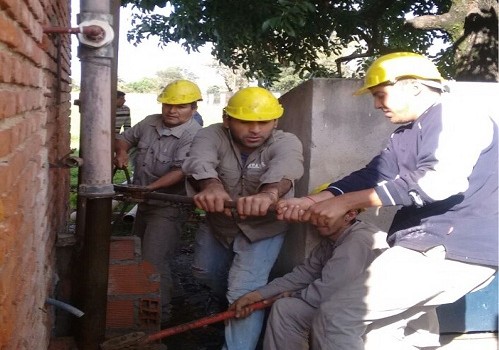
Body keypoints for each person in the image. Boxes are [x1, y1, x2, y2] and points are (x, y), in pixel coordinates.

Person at [276, 52, 498, 349]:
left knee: (336, 318)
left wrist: (344, 203)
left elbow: (439, 183)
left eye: (381, 95)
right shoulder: (404, 134)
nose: (377, 105)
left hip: (451, 248)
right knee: (383, 335)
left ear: (414, 87)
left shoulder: (456, 114)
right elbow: (374, 174)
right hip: (428, 246)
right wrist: (315, 200)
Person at [182, 86, 304, 350]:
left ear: (275, 122)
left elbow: (287, 167)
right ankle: (227, 306)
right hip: (219, 225)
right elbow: (198, 160)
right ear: (227, 120)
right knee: (203, 273)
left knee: (243, 291)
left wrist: (269, 194)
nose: (255, 130)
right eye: (246, 122)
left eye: (264, 122)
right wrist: (211, 186)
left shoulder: (286, 141)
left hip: (264, 230)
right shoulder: (210, 134)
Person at [231, 208, 389, 350]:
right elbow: (303, 274)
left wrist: (292, 295)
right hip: (344, 306)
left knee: (288, 309)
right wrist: (256, 295)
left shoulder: (357, 240)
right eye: (314, 214)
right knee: (285, 307)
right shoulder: (332, 240)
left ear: (350, 215)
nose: (315, 220)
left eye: (324, 214)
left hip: (369, 314)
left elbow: (330, 290)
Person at [113, 79, 203, 324]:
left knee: (153, 260)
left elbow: (180, 171)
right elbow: (124, 139)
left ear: (193, 109)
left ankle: (159, 317)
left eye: (181, 106)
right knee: (139, 252)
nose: (172, 111)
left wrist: (148, 188)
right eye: (167, 104)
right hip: (144, 201)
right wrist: (121, 151)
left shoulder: (194, 134)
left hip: (169, 205)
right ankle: (163, 297)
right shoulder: (150, 122)